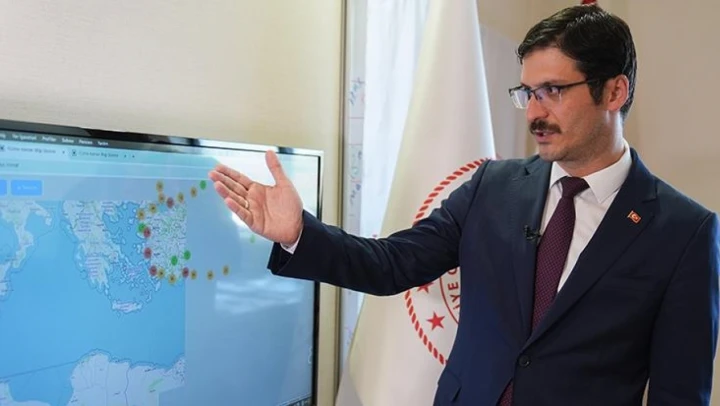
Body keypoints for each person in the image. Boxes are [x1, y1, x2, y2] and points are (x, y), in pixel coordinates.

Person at [209, 4, 719, 406]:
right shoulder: (492, 187)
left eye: (553, 91)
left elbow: (679, 394)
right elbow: (392, 264)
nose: (534, 113)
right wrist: (300, 233)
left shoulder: (684, 233)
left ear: (614, 91)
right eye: (527, 93)